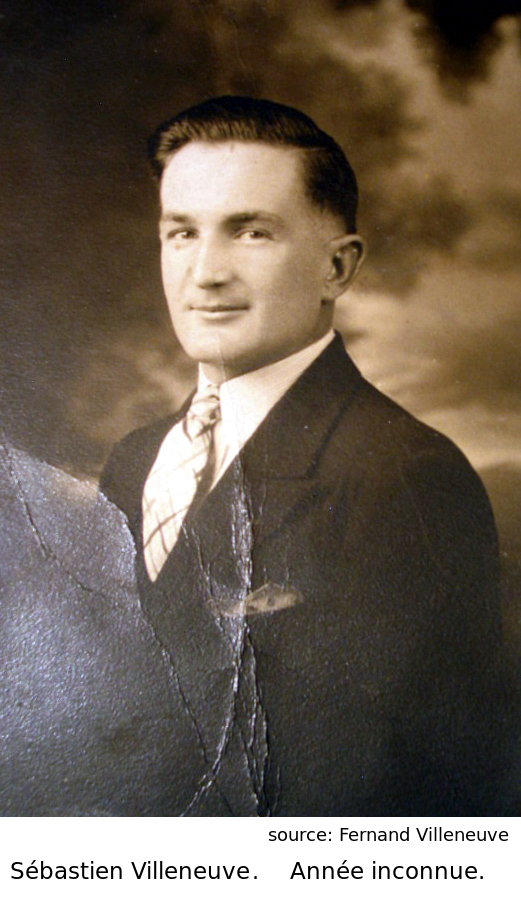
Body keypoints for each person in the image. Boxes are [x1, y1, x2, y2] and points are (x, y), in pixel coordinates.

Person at [101, 96, 506, 815]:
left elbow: (422, 794)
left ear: (337, 268)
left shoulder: (404, 474)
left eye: (251, 232)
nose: (205, 272)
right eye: (182, 233)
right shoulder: (135, 459)